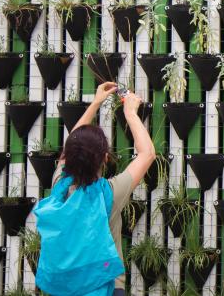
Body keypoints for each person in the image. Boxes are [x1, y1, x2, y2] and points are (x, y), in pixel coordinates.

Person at [38, 82, 156, 296]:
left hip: (63, 288)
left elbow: (70, 146)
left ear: (68, 156)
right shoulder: (108, 193)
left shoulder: (60, 185)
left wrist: (95, 103)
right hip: (106, 288)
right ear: (105, 158)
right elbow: (147, 154)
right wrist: (130, 113)